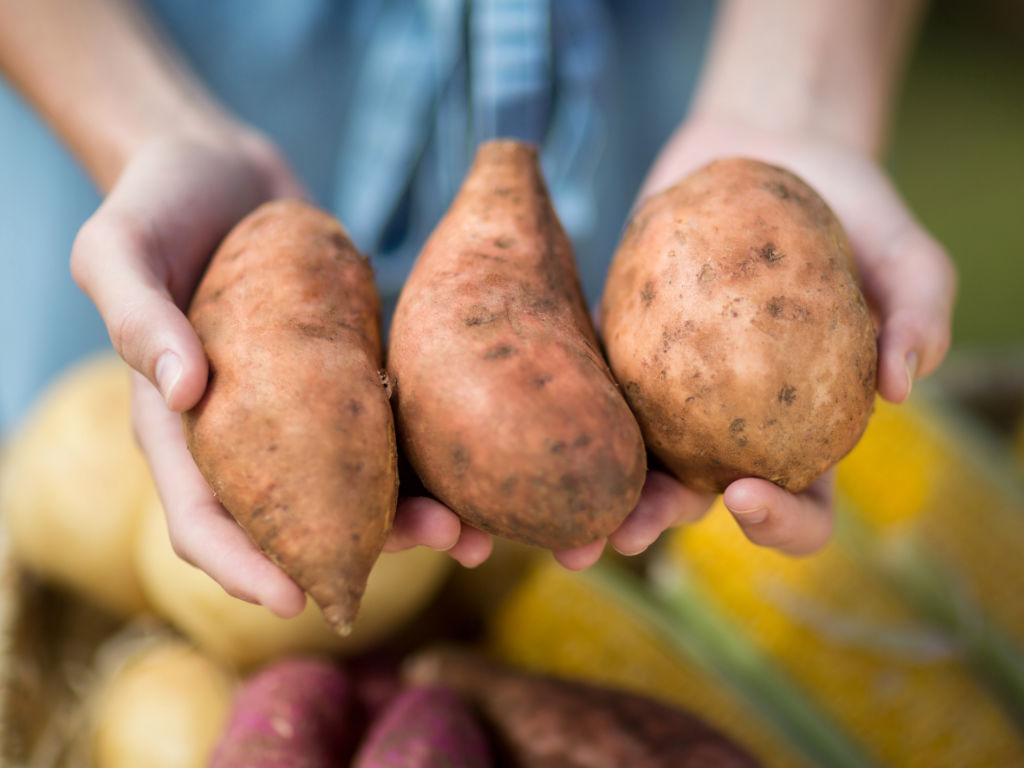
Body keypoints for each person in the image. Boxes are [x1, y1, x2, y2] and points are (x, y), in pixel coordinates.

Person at [0, 0, 955, 619]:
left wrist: (801, 99)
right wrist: (144, 132)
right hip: (177, 74)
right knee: (73, 528)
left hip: (685, 117)